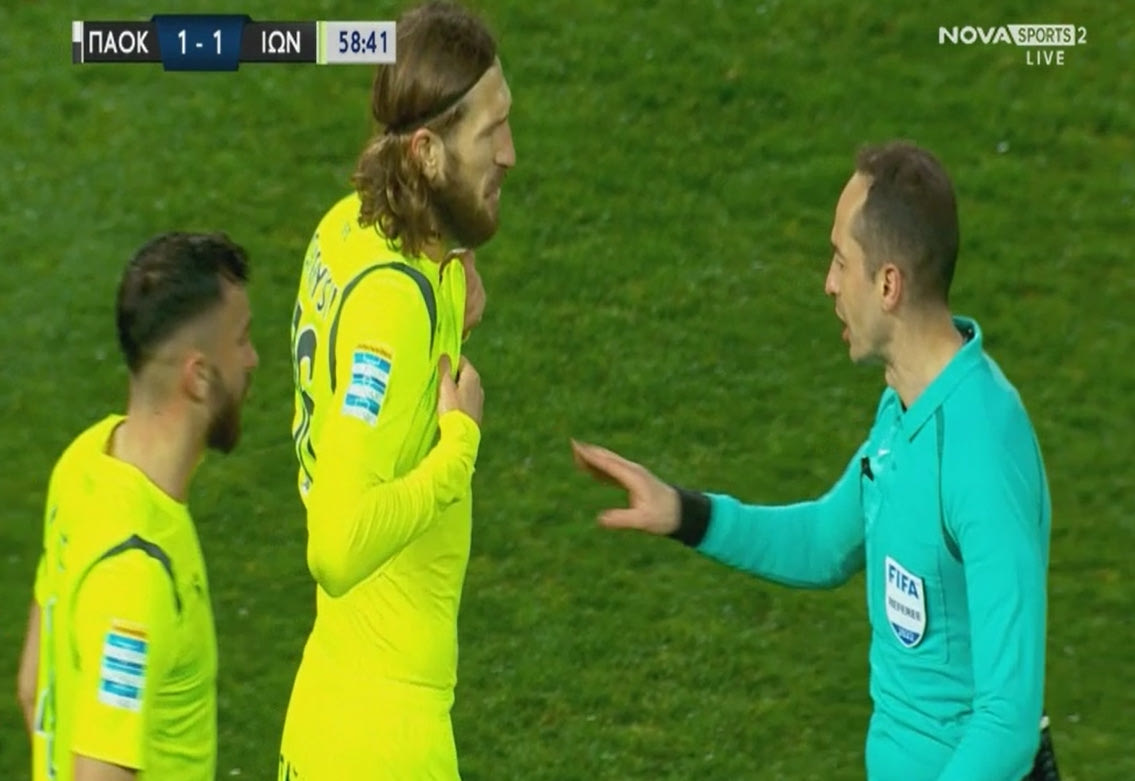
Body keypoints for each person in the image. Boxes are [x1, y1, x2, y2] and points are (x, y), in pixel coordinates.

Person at [573, 141, 1056, 780]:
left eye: (841, 261)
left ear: (888, 285)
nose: (828, 282)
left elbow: (1007, 725)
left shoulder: (982, 451)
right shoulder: (907, 407)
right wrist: (682, 513)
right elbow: (826, 541)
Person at [278, 1, 514, 777]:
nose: (509, 154)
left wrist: (457, 268)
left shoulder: (347, 226)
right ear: (426, 151)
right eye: (491, 133)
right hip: (383, 741)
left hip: (330, 703)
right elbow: (337, 547)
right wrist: (459, 449)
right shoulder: (394, 309)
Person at [17, 232, 258, 781]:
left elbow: (34, 687)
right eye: (241, 340)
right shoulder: (136, 576)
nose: (253, 359)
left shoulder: (85, 461)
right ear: (198, 377)